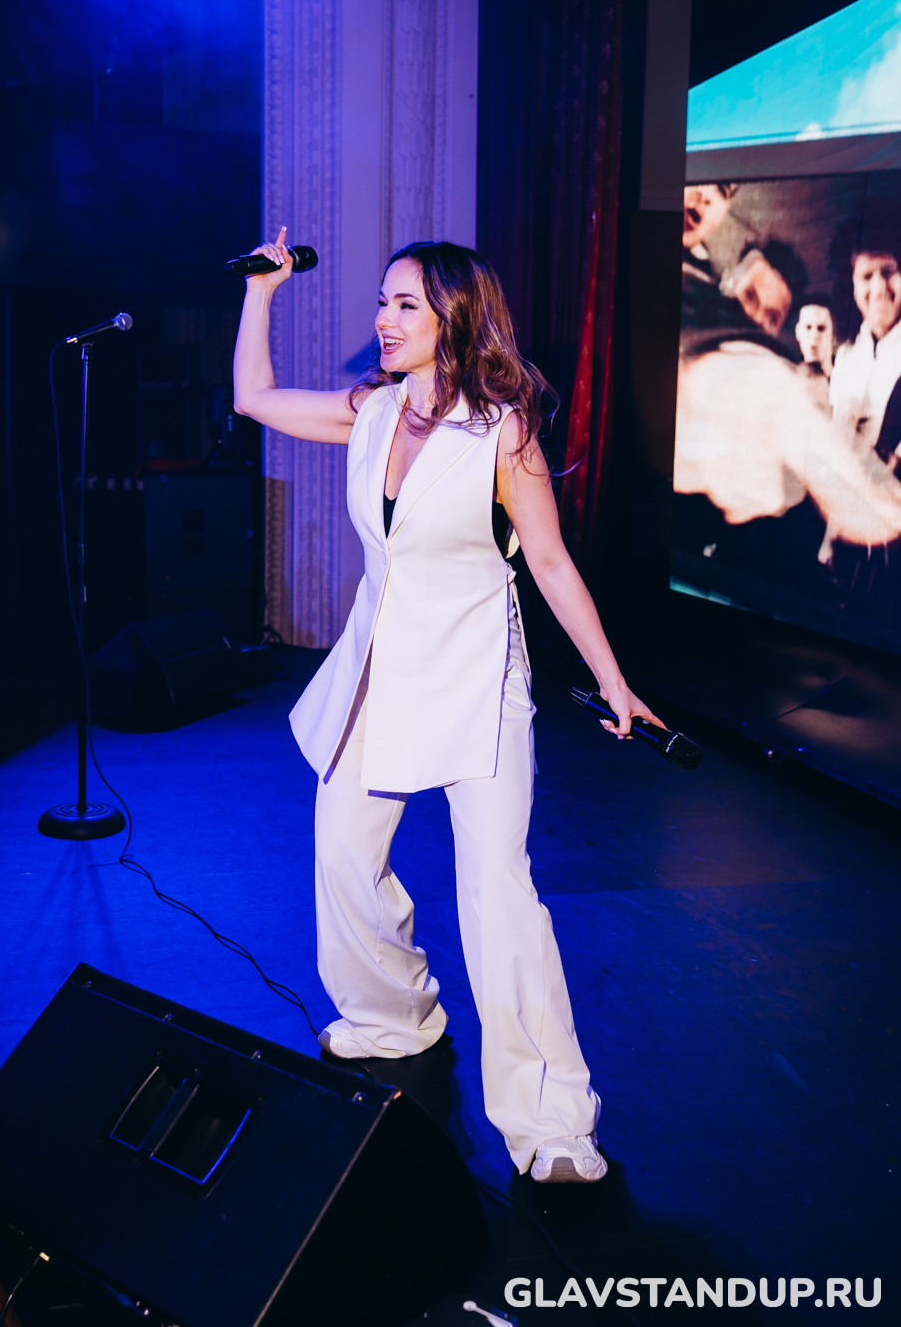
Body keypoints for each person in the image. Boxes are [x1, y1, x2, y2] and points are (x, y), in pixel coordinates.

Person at [232, 230, 660, 1184]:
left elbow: (549, 561)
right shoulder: (373, 410)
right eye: (381, 302)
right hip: (379, 672)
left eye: (406, 306)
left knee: (498, 894)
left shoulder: (502, 430)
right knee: (343, 857)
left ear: (454, 318)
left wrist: (613, 678)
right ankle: (395, 1015)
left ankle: (552, 1124)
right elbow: (254, 398)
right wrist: (262, 292)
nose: (384, 320)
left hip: (476, 679)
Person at [829, 245, 901, 454]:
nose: (878, 288)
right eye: (867, 276)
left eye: (887, 272)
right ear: (853, 288)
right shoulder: (845, 357)